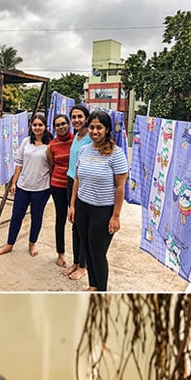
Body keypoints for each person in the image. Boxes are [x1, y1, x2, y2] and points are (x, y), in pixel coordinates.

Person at [68, 111, 129, 292]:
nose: (95, 131)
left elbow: (120, 187)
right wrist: (72, 205)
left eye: (99, 127)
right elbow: (77, 179)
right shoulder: (84, 150)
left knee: (98, 254)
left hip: (102, 212)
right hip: (82, 207)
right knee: (87, 250)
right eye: (92, 127)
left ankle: (101, 291)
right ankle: (93, 286)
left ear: (107, 129)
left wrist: (115, 216)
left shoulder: (116, 154)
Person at [0, 114, 52, 258]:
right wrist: (14, 182)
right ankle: (10, 243)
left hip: (41, 188)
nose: (37, 127)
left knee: (36, 217)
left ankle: (32, 243)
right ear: (30, 126)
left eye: (40, 125)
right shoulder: (26, 142)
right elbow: (19, 163)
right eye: (35, 125)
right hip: (23, 186)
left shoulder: (50, 144)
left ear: (45, 127)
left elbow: (53, 166)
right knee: (16, 216)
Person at [62, 105, 91, 281]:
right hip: (71, 181)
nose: (76, 120)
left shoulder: (91, 138)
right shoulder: (77, 137)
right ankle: (75, 261)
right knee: (74, 224)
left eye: (80, 116)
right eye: (73, 117)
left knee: (84, 227)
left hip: (83, 184)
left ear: (86, 118)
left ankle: (83, 265)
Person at [46, 113, 75, 269]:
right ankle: (61, 253)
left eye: (63, 123)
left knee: (76, 220)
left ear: (68, 124)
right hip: (57, 185)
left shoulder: (77, 141)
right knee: (60, 219)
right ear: (54, 127)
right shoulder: (52, 145)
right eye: (58, 125)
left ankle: (80, 258)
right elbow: (51, 166)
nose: (61, 127)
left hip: (75, 186)